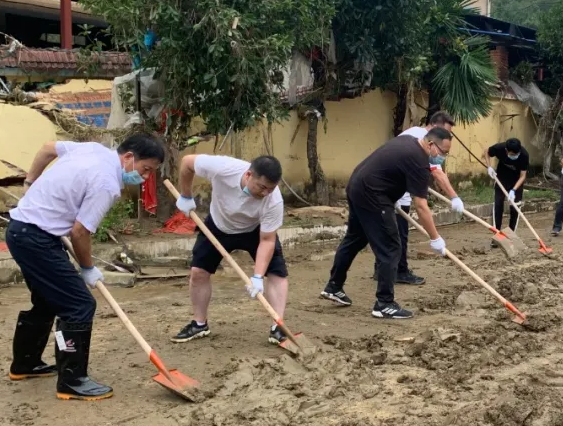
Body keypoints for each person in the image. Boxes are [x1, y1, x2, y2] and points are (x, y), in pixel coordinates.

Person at [6, 134, 165, 400]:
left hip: (21, 231)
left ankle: (25, 364)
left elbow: (47, 148)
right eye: (145, 169)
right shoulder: (106, 182)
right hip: (35, 239)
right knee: (79, 305)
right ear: (128, 157)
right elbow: (80, 232)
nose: (146, 177)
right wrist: (88, 268)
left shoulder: (92, 149)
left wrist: (30, 182)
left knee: (48, 300)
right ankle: (72, 380)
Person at [321, 129, 450, 319]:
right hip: (373, 194)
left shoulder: (409, 141)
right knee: (390, 247)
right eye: (442, 152)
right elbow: (421, 205)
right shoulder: (419, 161)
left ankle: (334, 286)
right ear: (431, 145)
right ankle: (384, 303)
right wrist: (435, 238)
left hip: (357, 184)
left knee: (355, 238)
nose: (443, 157)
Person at [171, 154, 289, 346]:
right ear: (249, 175)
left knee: (277, 273)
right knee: (198, 272)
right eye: (262, 187)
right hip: (218, 225)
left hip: (254, 229)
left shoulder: (273, 201)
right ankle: (200, 324)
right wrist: (185, 195)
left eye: (271, 188)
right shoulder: (223, 168)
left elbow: (267, 240)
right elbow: (187, 162)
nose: (266, 193)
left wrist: (258, 276)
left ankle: (279, 326)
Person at [382, 112, 463, 286]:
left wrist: (453, 197)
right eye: (445, 131)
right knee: (399, 234)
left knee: (390, 233)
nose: (446, 137)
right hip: (395, 192)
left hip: (393, 188)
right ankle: (400, 271)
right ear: (434, 127)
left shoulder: (417, 134)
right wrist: (454, 197)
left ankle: (383, 269)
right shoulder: (423, 141)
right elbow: (437, 174)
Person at [484, 137, 529, 233]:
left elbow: (523, 176)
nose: (515, 156)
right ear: (506, 151)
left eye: (516, 154)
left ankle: (511, 234)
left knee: (515, 207)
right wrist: (489, 167)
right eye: (512, 154)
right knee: (498, 205)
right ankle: (497, 234)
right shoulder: (499, 148)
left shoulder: (524, 155)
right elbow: (487, 152)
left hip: (517, 180)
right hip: (501, 178)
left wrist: (513, 190)